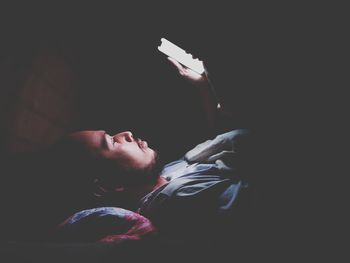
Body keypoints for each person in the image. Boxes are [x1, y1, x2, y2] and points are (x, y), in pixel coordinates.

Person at [0, 56, 255, 244]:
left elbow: (209, 145)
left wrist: (201, 87)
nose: (126, 134)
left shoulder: (164, 177)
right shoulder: (178, 200)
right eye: (111, 142)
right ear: (109, 185)